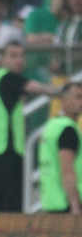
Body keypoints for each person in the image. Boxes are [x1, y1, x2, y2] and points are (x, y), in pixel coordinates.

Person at [0, 41, 58, 212]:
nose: (19, 60)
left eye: (21, 56)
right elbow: (31, 86)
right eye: (13, 56)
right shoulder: (7, 78)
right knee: (11, 201)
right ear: (2, 59)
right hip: (5, 151)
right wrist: (58, 93)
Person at [39, 82, 82, 214]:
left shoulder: (51, 126)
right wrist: (75, 205)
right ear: (64, 100)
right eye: (78, 97)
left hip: (51, 202)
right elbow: (67, 170)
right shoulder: (67, 129)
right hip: (67, 204)